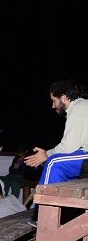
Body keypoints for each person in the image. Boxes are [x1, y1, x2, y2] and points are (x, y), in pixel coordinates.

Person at [25, 80, 88, 226]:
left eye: (54, 100)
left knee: (54, 162)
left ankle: (42, 215)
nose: (53, 106)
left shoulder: (78, 108)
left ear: (64, 97)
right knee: (55, 162)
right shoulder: (82, 106)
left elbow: (68, 148)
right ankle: (58, 212)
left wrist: (46, 155)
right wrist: (47, 154)